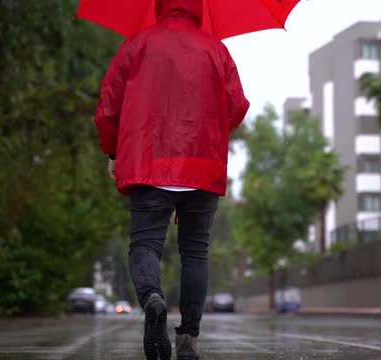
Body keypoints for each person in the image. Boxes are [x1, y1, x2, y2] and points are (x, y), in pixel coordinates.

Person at [93, 0, 249, 358]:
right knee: (195, 252)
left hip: (150, 163)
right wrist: (209, 132)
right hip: (201, 165)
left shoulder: (138, 43)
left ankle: (152, 298)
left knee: (146, 244)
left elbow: (108, 106)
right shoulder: (215, 48)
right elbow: (237, 106)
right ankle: (188, 338)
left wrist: (114, 152)